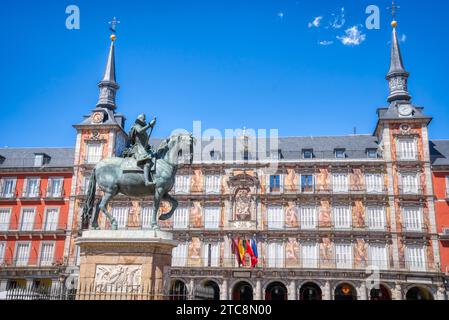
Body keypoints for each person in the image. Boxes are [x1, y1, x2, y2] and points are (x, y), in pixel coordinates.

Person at [128, 114, 157, 186]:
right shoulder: (136, 126)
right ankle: (147, 181)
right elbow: (140, 131)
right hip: (138, 148)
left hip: (144, 148)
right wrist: (150, 125)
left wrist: (148, 146)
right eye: (143, 120)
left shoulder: (143, 129)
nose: (144, 121)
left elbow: (145, 141)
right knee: (148, 161)